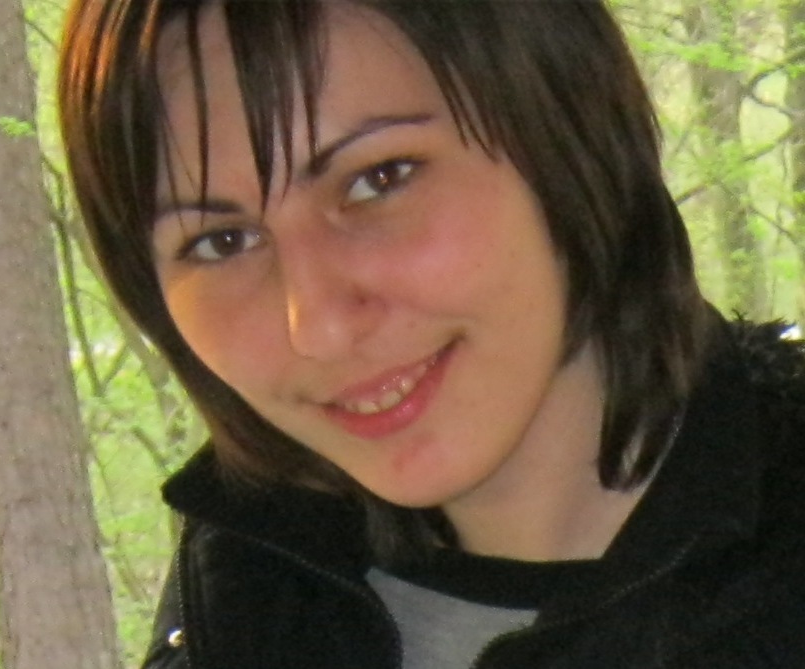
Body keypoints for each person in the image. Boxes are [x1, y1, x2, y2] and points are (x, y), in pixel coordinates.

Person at [57, 1, 805, 667]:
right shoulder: (249, 586)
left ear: (565, 130)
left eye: (378, 179)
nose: (317, 325)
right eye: (222, 242)